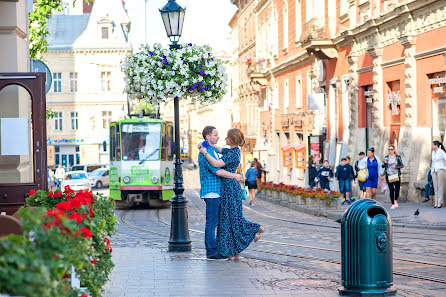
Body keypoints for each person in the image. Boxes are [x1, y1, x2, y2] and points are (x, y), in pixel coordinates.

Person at [199, 128, 264, 261]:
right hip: (228, 187)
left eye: (227, 137)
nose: (224, 139)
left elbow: (217, 164)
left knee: (230, 219)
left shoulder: (232, 154)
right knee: (228, 220)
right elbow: (216, 147)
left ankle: (255, 230)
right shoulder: (232, 151)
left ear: (232, 140)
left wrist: (204, 152)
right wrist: (203, 144)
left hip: (229, 187)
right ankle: (233, 252)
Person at [198, 126, 244, 260]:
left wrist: (202, 146)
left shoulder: (211, 150)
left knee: (216, 222)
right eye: (215, 135)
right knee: (212, 223)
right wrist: (235, 176)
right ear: (208, 137)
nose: (219, 137)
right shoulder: (207, 153)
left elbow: (217, 150)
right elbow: (218, 170)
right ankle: (212, 252)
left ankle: (218, 249)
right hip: (211, 191)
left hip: (216, 191)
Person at [382, 144, 404, 209]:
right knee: (391, 189)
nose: (390, 151)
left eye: (391, 149)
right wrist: (385, 163)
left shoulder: (397, 157)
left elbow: (401, 165)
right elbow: (383, 166)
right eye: (389, 149)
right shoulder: (386, 157)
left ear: (394, 150)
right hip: (389, 175)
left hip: (396, 175)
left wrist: (396, 166)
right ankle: (392, 204)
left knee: (397, 189)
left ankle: (395, 200)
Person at [431, 140, 446, 208]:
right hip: (434, 170)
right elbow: (432, 161)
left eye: (433, 145)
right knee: (435, 187)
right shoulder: (432, 152)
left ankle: (440, 202)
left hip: (440, 169)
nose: (432, 146)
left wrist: (444, 168)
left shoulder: (441, 152)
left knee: (440, 186)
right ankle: (436, 202)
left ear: (436, 145)